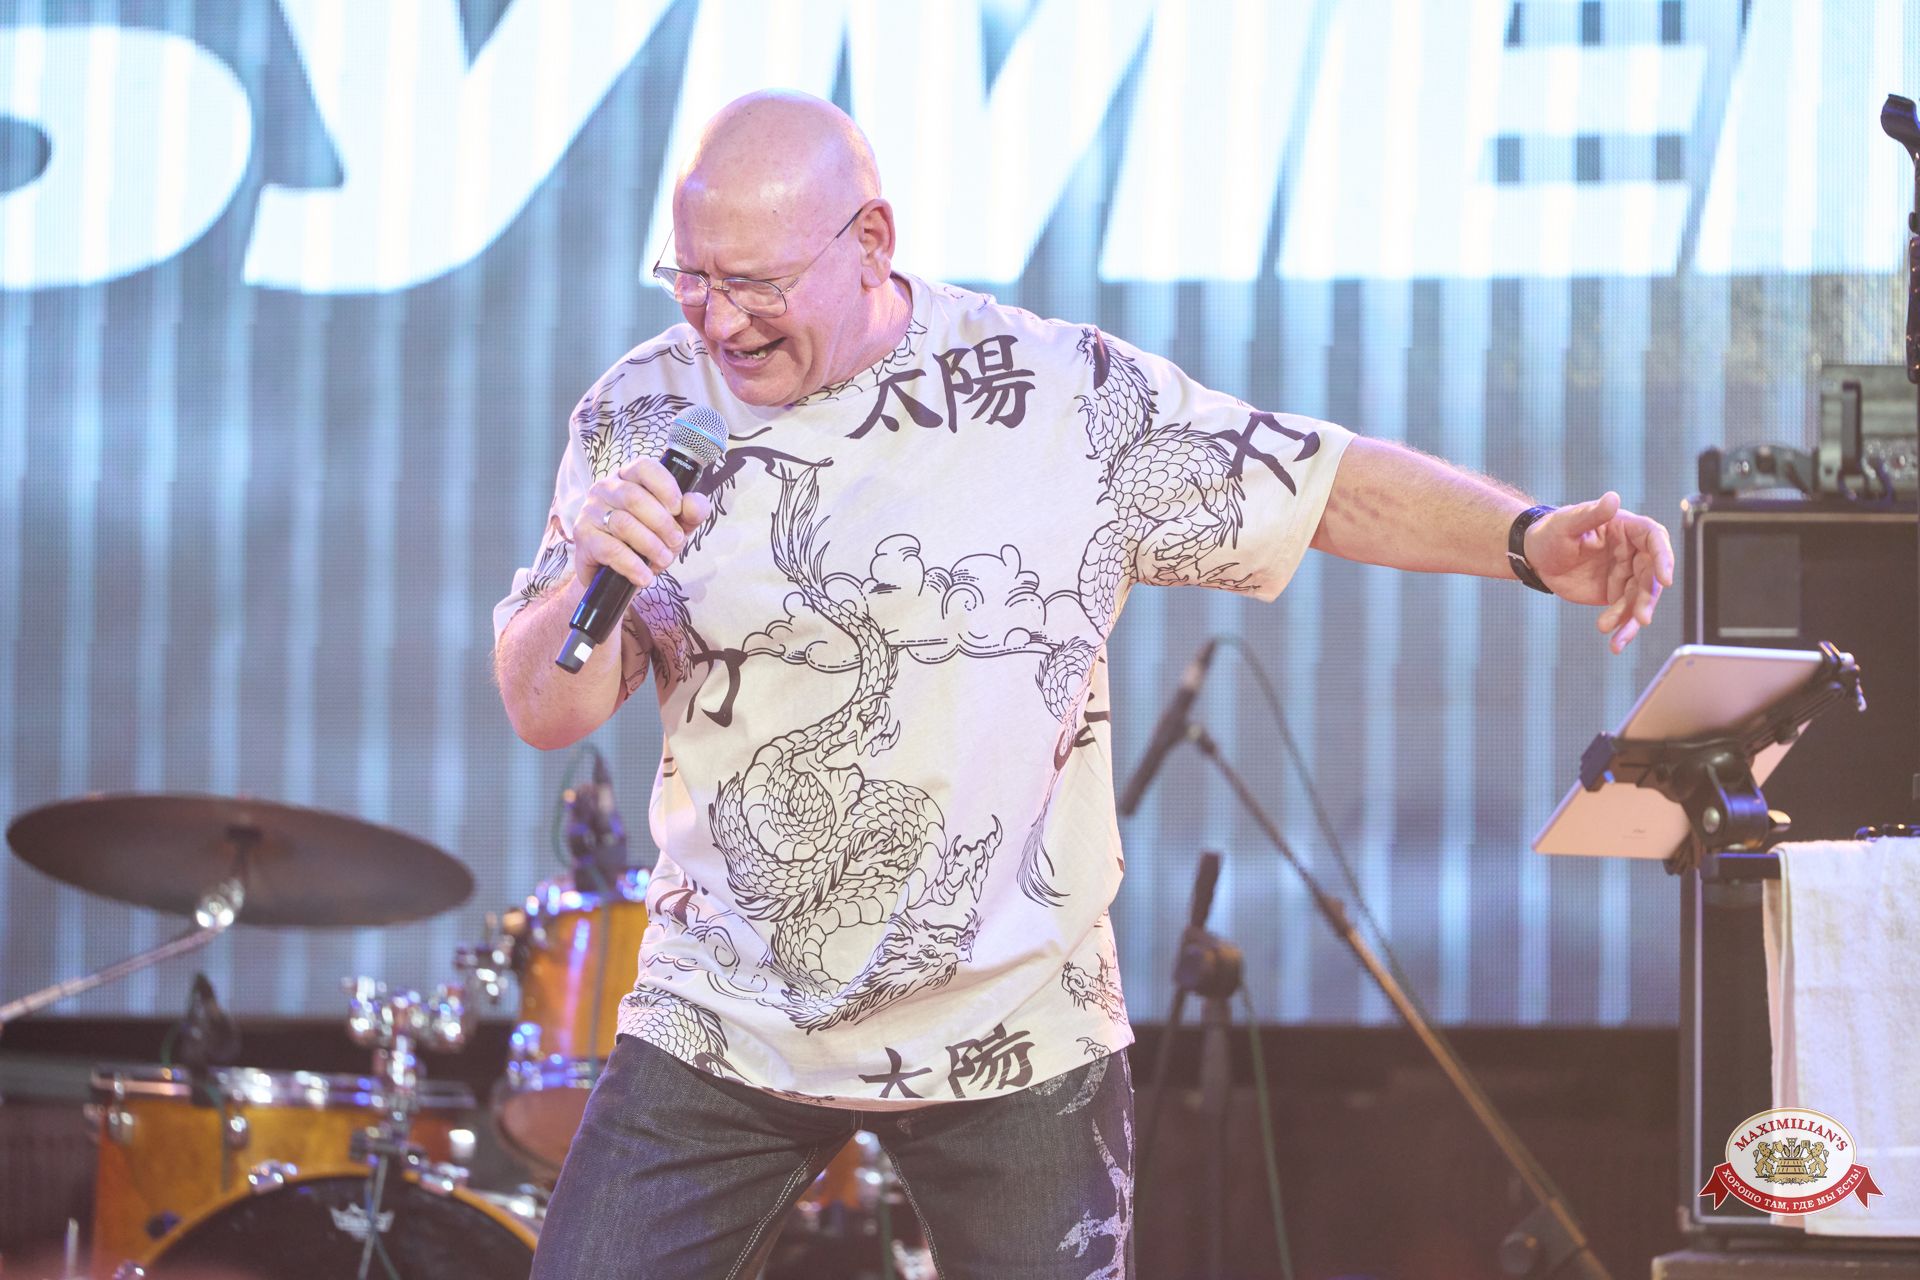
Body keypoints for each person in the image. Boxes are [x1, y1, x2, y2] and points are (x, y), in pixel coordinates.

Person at [493, 90, 1673, 1280]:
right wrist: (589, 573)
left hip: (1011, 1019)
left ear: (871, 243)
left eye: (756, 282)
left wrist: (1526, 539)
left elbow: (1322, 484)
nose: (718, 318)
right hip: (724, 1013)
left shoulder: (1051, 396)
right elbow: (546, 708)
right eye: (690, 276)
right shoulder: (641, 413)